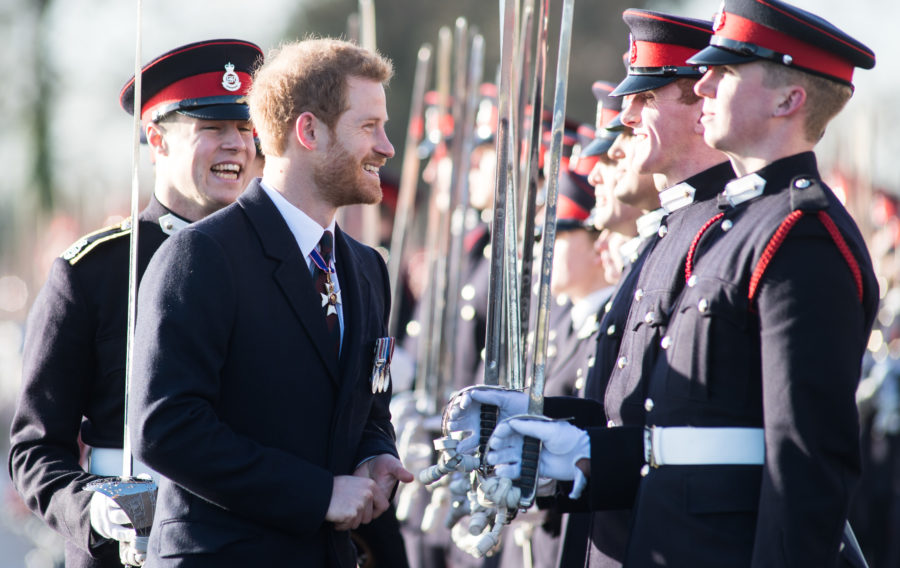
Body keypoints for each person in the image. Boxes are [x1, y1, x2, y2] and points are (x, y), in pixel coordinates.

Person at [459, 1, 879, 566]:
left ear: (789, 99)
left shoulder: (800, 233)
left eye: (726, 72)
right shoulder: (729, 224)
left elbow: (805, 460)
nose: (703, 83)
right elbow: (670, 429)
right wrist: (571, 444)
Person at [127, 38, 414, 566]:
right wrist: (318, 494)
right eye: (369, 127)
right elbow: (166, 428)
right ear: (308, 131)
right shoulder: (201, 255)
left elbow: (369, 405)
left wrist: (376, 454)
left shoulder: (367, 268)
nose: (387, 147)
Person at [7, 39, 263, 568]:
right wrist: (90, 509)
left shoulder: (276, 262)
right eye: (212, 129)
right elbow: (35, 448)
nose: (236, 145)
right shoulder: (92, 272)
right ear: (157, 140)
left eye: (244, 130)